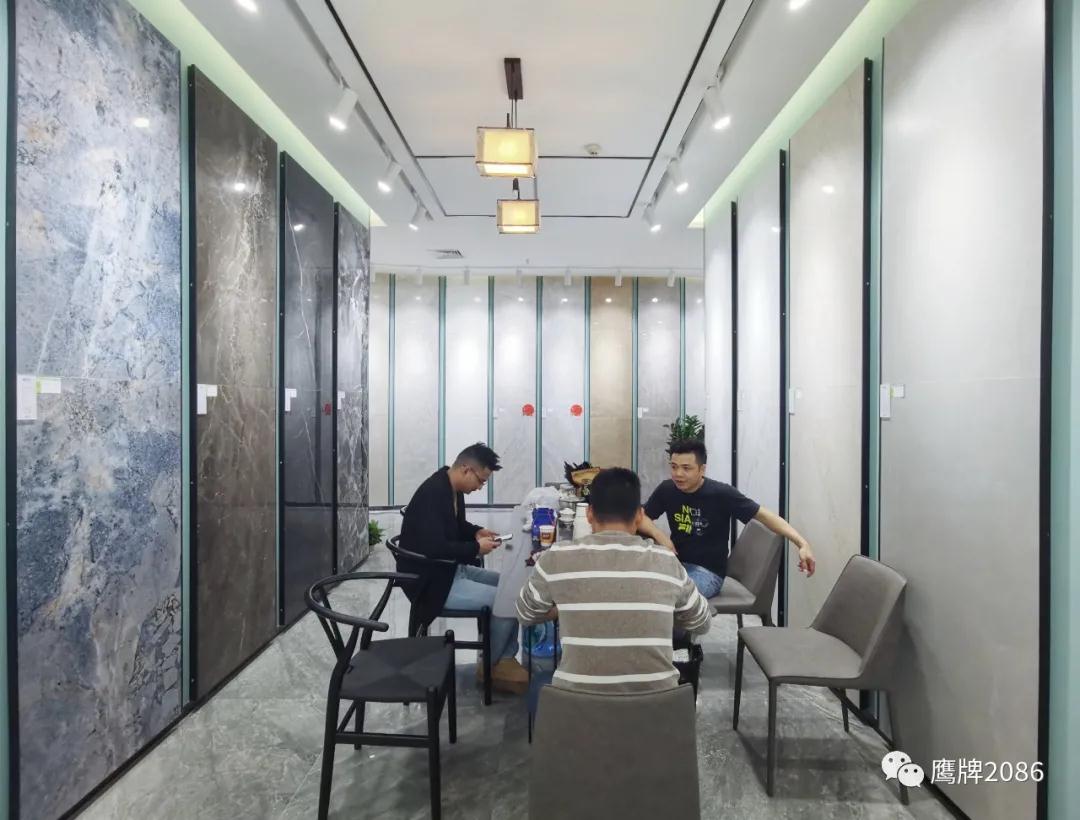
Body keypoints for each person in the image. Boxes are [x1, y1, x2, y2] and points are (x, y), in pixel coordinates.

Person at [516, 467, 712, 694]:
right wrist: (660, 609)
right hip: (656, 705)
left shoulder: (556, 558)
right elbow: (702, 622)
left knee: (539, 685)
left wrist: (564, 607)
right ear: (639, 516)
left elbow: (525, 614)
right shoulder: (667, 562)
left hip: (577, 705)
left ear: (589, 514)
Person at [398, 443, 528, 694]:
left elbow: (456, 526)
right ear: (466, 470)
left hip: (448, 570)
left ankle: (504, 658)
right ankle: (492, 665)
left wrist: (477, 532)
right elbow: (435, 547)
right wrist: (475, 548)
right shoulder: (433, 493)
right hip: (432, 583)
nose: (479, 487)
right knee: (509, 599)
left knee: (509, 585)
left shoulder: (451, 488)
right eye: (481, 481)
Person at [637, 439, 817, 599]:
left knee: (667, 595)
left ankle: (683, 628)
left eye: (686, 468)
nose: (678, 474)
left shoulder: (721, 493)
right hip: (675, 565)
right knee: (638, 585)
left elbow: (764, 515)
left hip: (708, 573)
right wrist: (660, 535)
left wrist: (802, 543)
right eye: (674, 466)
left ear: (702, 469)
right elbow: (639, 516)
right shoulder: (667, 489)